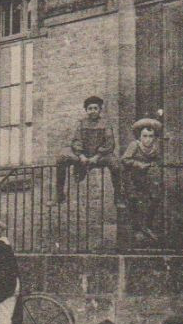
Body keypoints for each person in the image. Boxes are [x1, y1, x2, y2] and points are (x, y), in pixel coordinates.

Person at [55, 96, 118, 203]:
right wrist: (81, 155)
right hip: (83, 154)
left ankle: (118, 197)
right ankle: (59, 195)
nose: (93, 111)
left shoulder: (106, 123)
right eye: (90, 108)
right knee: (61, 157)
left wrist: (97, 156)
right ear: (86, 110)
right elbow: (77, 140)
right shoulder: (81, 123)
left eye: (95, 108)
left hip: (100, 155)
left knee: (116, 164)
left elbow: (109, 142)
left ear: (99, 110)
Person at [119, 117, 166, 246]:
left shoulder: (155, 148)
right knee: (133, 200)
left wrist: (155, 165)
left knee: (154, 199)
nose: (148, 139)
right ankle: (137, 229)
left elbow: (158, 161)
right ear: (140, 136)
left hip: (146, 178)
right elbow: (125, 160)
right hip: (132, 177)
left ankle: (147, 226)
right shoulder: (134, 145)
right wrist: (138, 164)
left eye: (151, 136)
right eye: (145, 136)